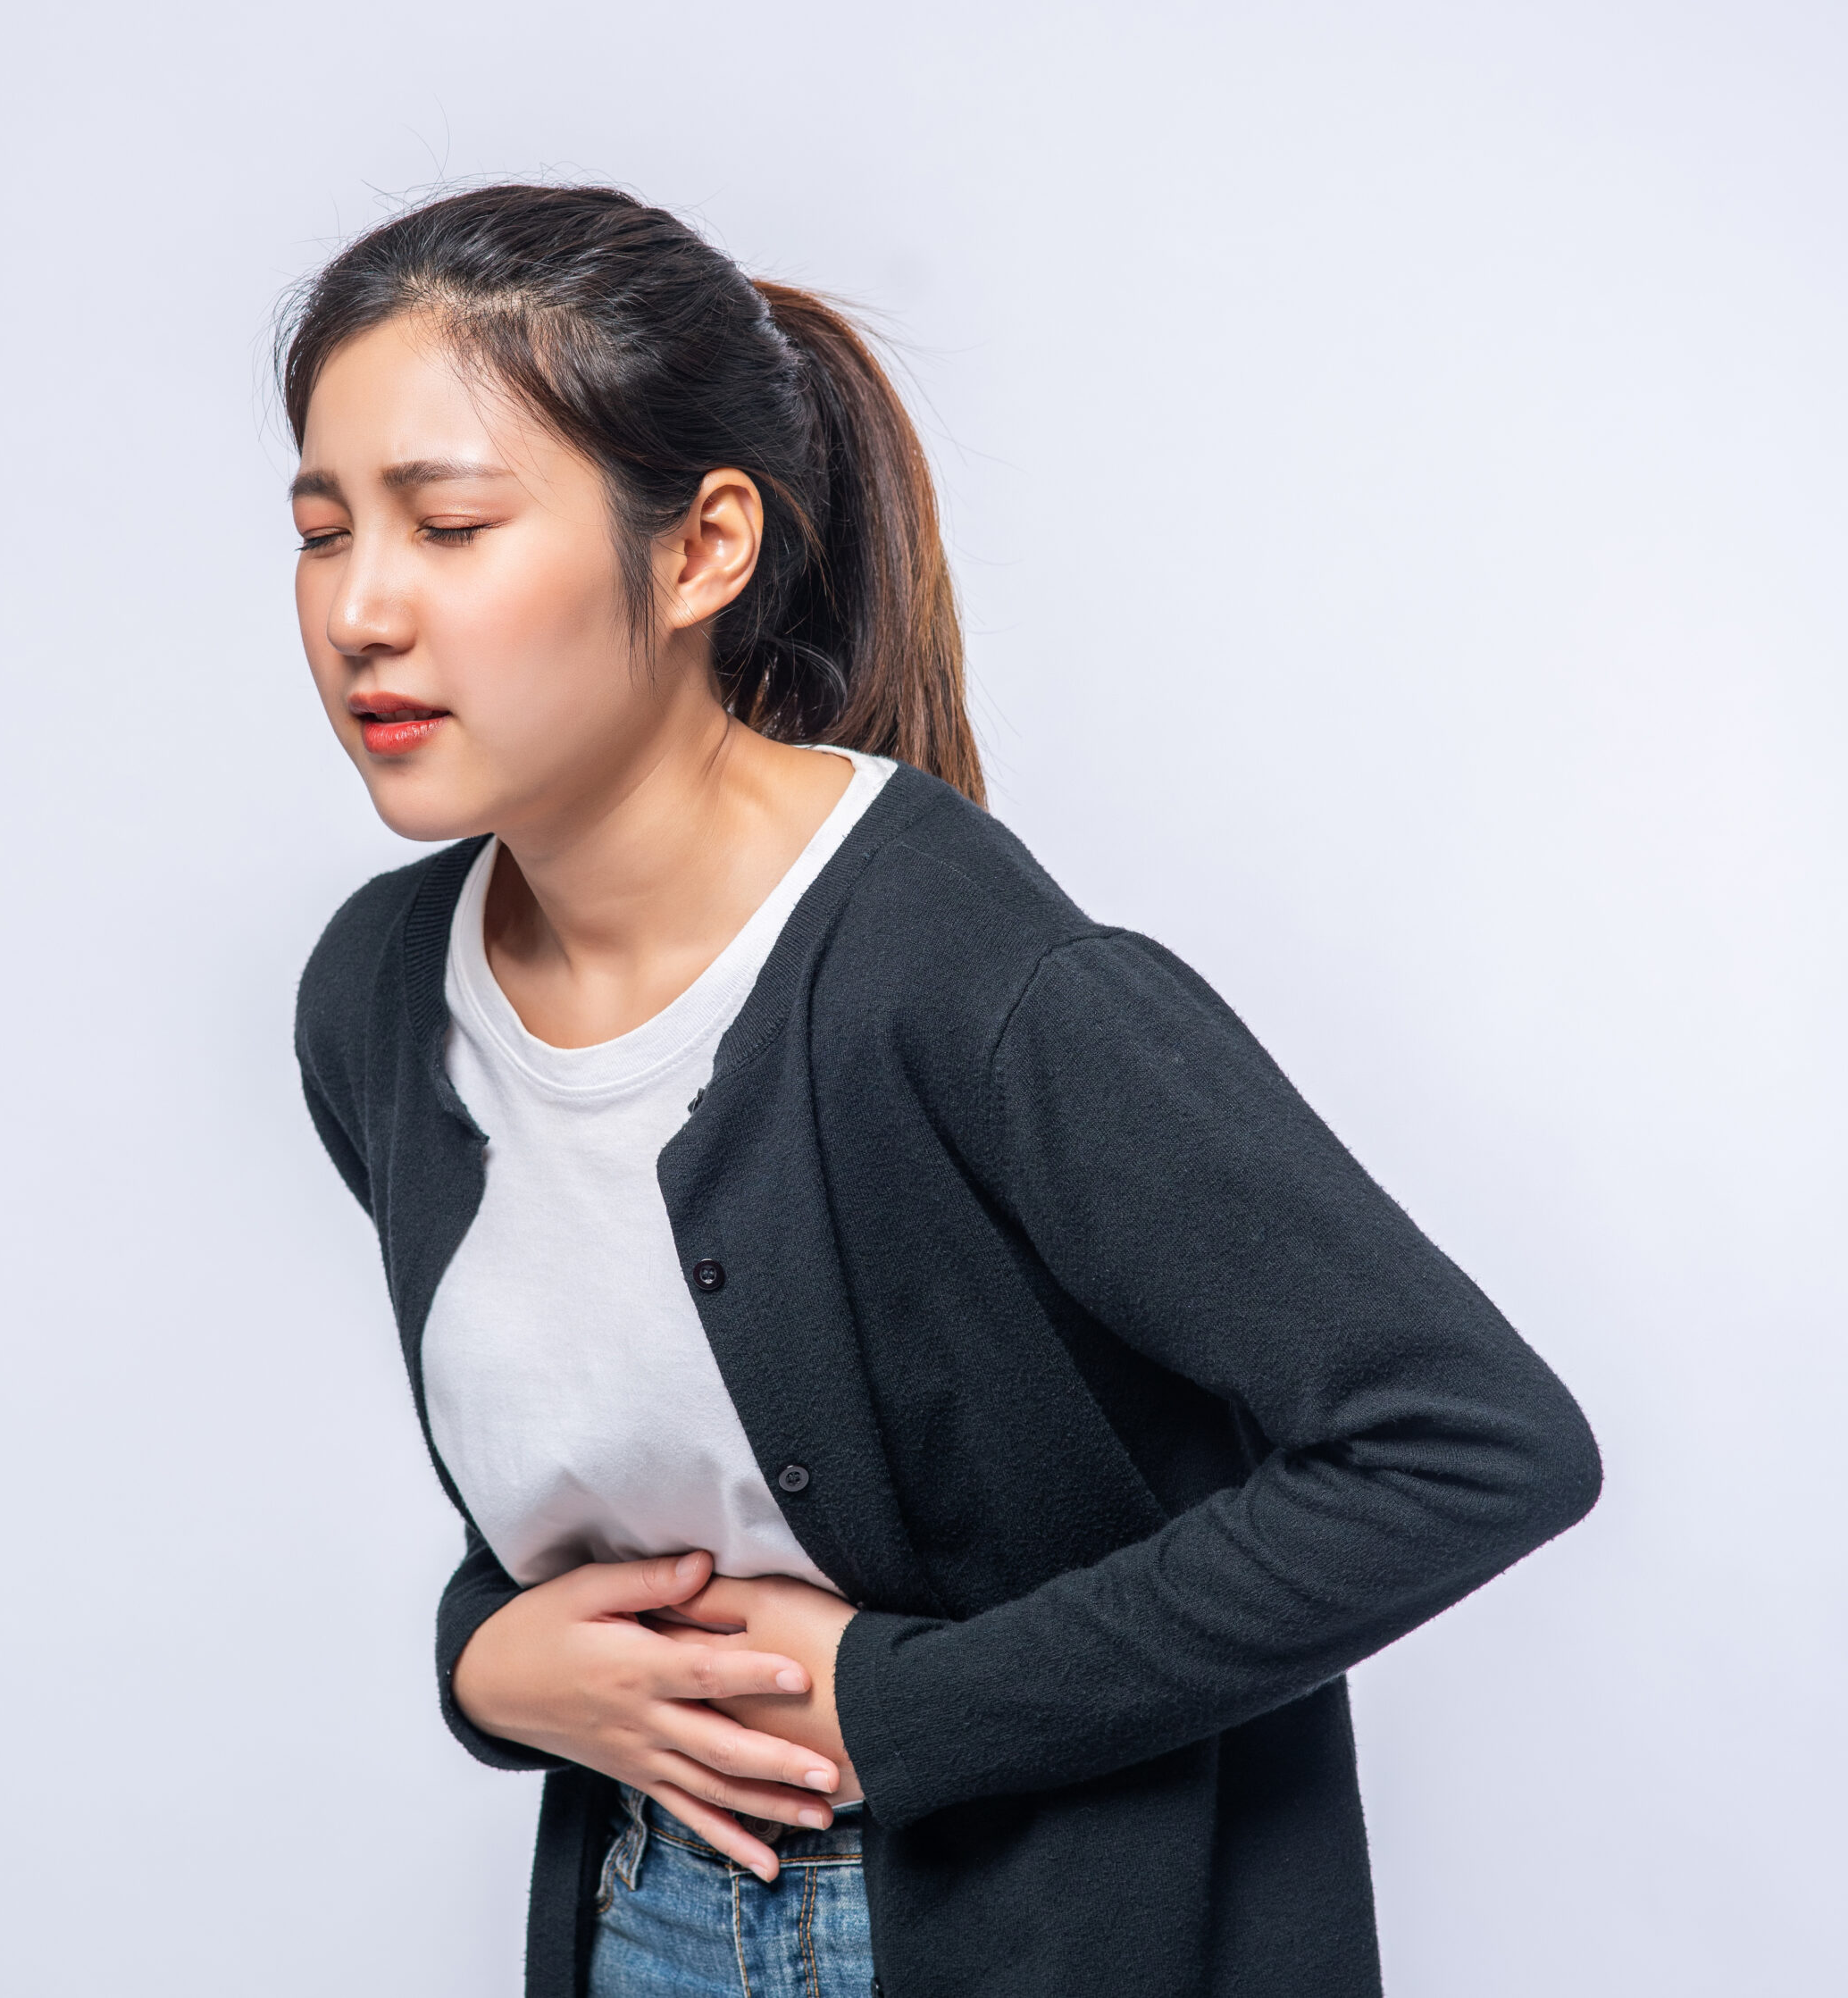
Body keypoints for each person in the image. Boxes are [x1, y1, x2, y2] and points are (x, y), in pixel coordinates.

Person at [280, 184, 1600, 1998]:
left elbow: (1466, 1444)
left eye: (444, 525)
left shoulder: (958, 980)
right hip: (635, 1917)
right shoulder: (374, 1002)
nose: (359, 610)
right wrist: (481, 1657)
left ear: (698, 549)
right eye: (319, 528)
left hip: (1016, 1934)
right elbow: (618, 1455)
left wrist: (904, 1706)